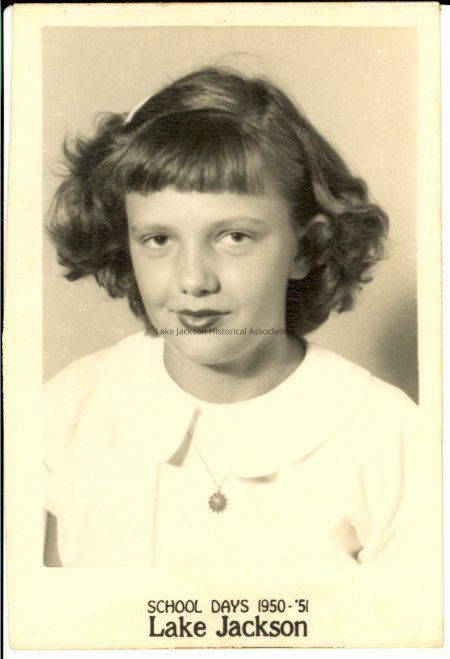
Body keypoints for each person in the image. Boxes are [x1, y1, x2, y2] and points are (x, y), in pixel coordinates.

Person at [44, 66, 422, 568]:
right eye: (158, 239)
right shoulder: (68, 409)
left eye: (234, 237)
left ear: (307, 247)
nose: (194, 280)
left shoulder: (390, 437)